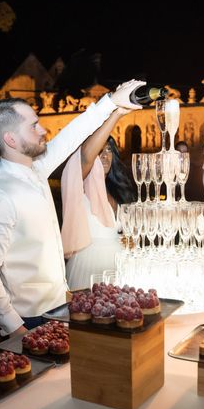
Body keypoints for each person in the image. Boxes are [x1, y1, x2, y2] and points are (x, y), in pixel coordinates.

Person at [0, 80, 144, 337]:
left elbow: (71, 135)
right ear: (11, 139)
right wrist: (16, 328)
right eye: (33, 126)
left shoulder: (36, 169)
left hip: (60, 307)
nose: (43, 130)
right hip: (29, 319)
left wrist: (114, 105)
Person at [60, 110, 137, 290]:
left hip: (120, 267)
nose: (105, 155)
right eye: (99, 150)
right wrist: (116, 113)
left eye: (109, 150)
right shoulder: (76, 183)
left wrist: (127, 240)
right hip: (88, 268)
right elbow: (86, 156)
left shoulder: (115, 191)